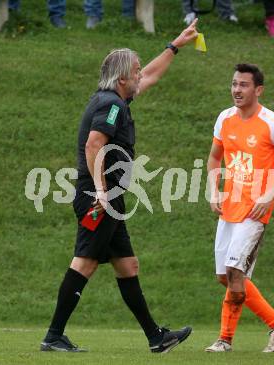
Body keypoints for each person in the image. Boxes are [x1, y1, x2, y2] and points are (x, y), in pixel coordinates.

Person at [40, 19, 199, 353]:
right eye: (136, 70)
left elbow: (153, 75)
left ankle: (156, 337)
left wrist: (175, 45)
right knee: (84, 262)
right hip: (100, 196)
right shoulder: (110, 104)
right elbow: (93, 145)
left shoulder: (115, 100)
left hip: (111, 196)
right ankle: (53, 336)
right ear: (122, 76)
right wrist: (100, 190)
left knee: (128, 265)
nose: (141, 75)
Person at [205, 63, 274, 353]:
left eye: (243, 85)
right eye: (234, 83)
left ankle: (224, 340)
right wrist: (213, 190)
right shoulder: (224, 118)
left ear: (258, 90)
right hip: (230, 209)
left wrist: (269, 195)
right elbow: (214, 159)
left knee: (235, 270)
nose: (236, 89)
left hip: (255, 213)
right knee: (225, 277)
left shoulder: (273, 124)